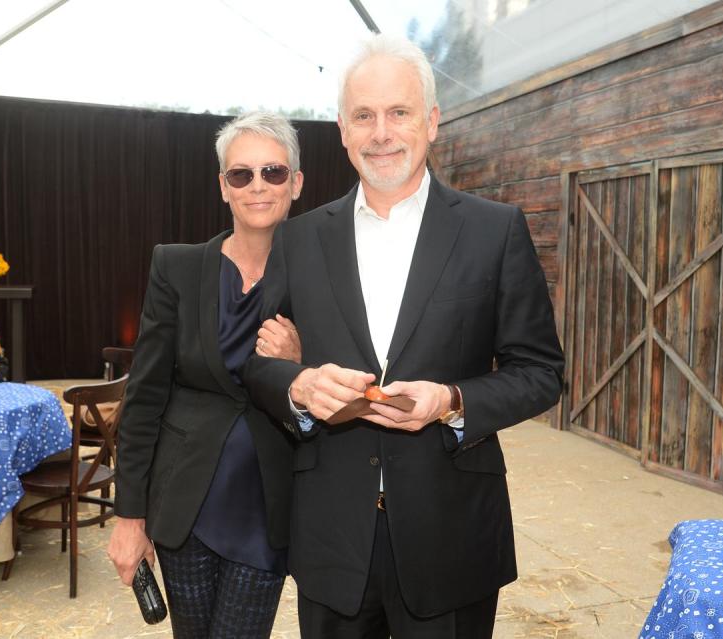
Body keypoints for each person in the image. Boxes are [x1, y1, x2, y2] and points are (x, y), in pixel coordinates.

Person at [241, 35, 565, 637]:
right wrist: (301, 385)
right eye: (364, 115)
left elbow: (541, 370)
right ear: (341, 129)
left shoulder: (493, 230)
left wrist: (452, 401)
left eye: (399, 112)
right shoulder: (299, 238)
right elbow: (259, 366)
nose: (381, 132)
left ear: (433, 121)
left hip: (452, 537)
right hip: (332, 539)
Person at [107, 111, 305, 638]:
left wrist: (300, 362)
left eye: (274, 172)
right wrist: (128, 516)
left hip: (267, 504)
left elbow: (340, 379)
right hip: (185, 501)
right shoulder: (177, 266)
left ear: (297, 183)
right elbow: (145, 396)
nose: (257, 186)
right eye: (241, 174)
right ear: (223, 186)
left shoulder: (322, 274)